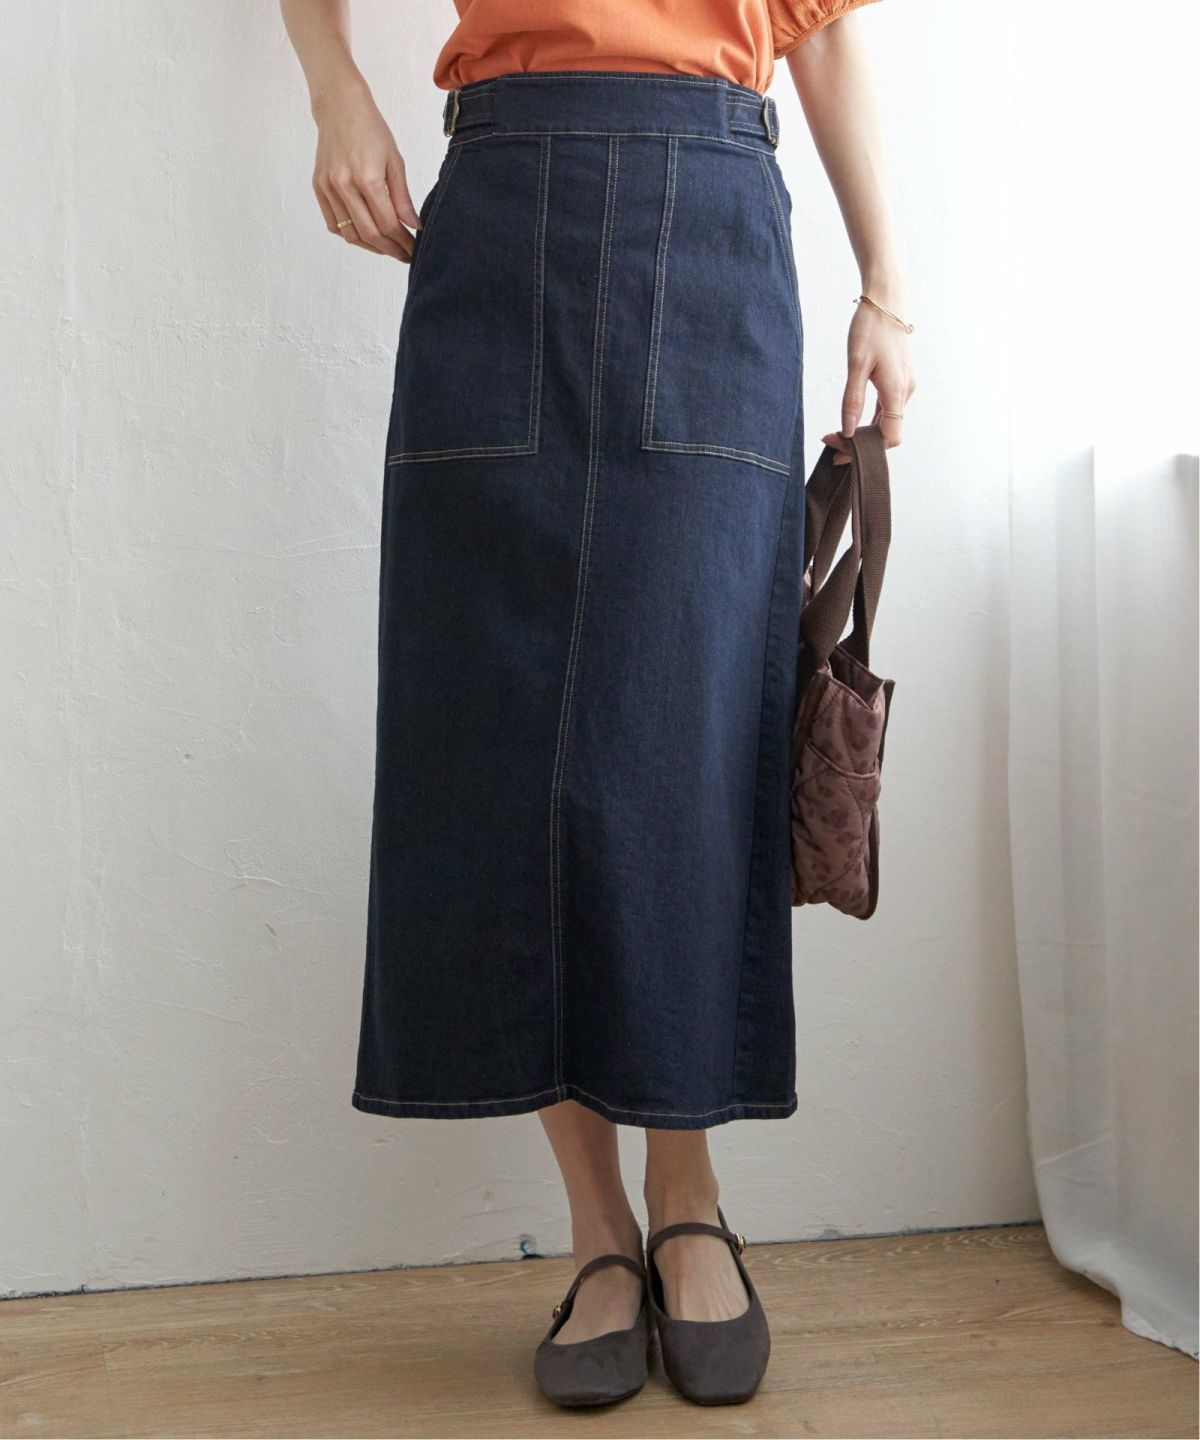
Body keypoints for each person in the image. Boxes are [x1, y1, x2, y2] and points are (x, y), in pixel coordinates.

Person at [281, 0, 914, 1409]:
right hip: (502, 215)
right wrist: (335, 92)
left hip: (716, 215)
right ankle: (598, 1231)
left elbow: (820, 28)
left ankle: (688, 1201)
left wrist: (888, 284)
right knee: (506, 743)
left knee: (682, 743)